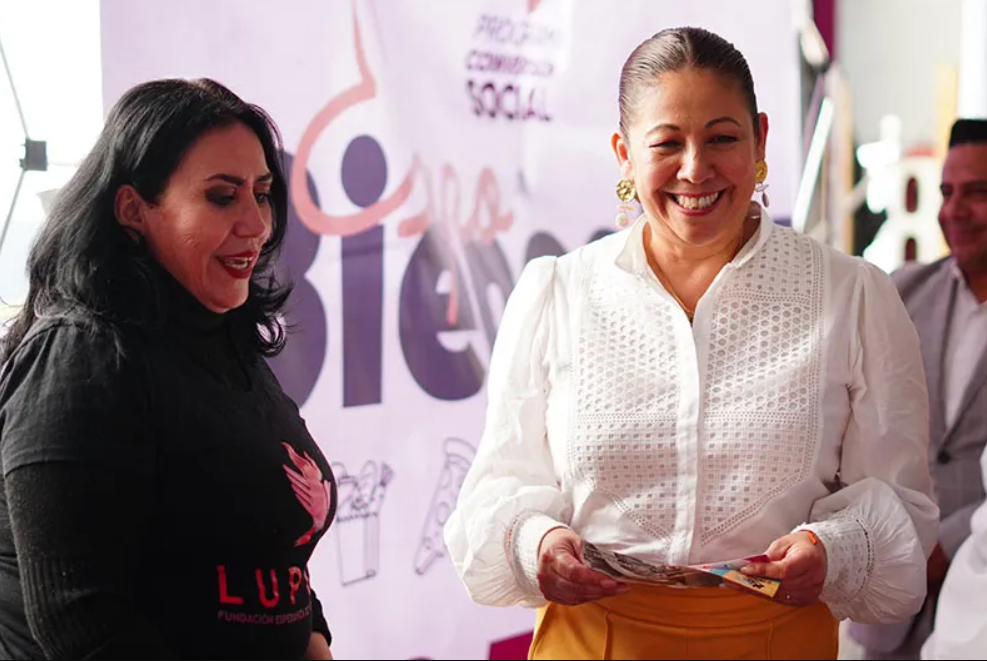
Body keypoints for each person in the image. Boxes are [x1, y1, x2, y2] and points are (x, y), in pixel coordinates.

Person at [444, 26, 938, 660]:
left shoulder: (852, 296)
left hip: (775, 640)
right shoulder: (557, 293)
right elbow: (498, 485)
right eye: (666, 143)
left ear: (760, 139)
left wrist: (835, 549)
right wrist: (534, 543)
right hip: (592, 640)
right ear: (625, 154)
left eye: (722, 138)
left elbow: (904, 502)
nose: (696, 169)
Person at [0, 78, 335, 660]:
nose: (256, 225)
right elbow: (83, 622)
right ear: (133, 209)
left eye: (261, 194)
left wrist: (313, 639)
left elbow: (274, 556)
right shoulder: (80, 356)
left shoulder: (222, 342)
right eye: (222, 196)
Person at [900, 119, 987, 660]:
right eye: (947, 192)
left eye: (977, 193)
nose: (954, 210)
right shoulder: (904, 291)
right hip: (897, 597)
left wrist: (950, 540)